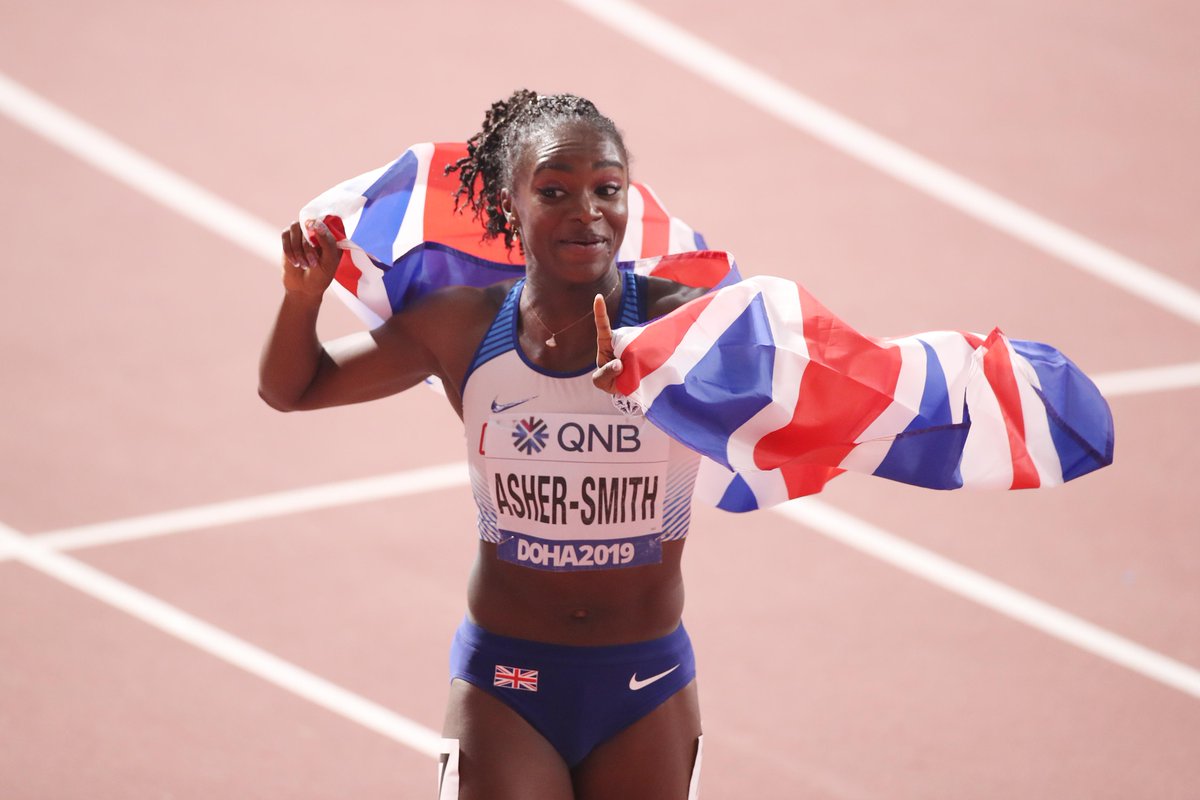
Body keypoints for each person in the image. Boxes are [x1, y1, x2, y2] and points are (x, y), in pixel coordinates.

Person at [259, 90, 712, 799]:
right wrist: (302, 296)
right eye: (554, 191)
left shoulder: (686, 326)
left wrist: (662, 375)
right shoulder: (462, 326)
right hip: (507, 682)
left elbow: (803, 408)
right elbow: (294, 388)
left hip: (646, 680)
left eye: (607, 189)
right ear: (510, 204)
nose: (587, 211)